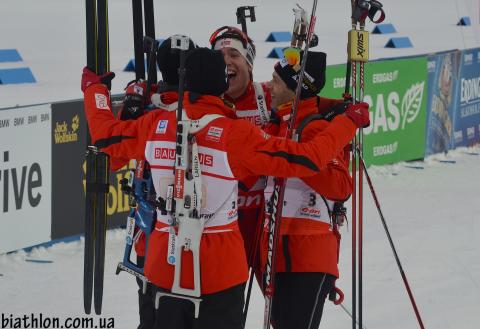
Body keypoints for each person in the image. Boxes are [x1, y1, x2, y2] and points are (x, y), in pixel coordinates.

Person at [81, 47, 369, 329]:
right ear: (221, 86)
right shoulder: (236, 134)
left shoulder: (154, 124)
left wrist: (95, 90)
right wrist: (348, 121)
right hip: (220, 276)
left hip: (163, 268)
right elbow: (308, 158)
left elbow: (104, 136)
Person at [260, 50, 354, 329]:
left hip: (309, 258)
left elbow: (341, 186)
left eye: (276, 81)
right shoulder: (279, 124)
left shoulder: (315, 129)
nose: (269, 86)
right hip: (279, 253)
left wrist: (296, 158)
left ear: (294, 89)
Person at [113, 36, 197, 329]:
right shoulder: (207, 108)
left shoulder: (151, 110)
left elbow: (112, 154)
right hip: (189, 239)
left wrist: (133, 104)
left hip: (153, 235)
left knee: (152, 313)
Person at [209, 25, 271, 270]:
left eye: (234, 55)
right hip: (222, 223)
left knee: (276, 301)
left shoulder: (267, 95)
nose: (227, 63)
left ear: (249, 64)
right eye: (220, 57)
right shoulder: (207, 102)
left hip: (262, 218)